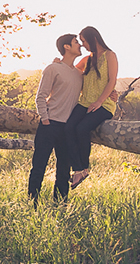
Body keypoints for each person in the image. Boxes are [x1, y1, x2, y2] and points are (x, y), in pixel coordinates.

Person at [28, 33, 83, 206]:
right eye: (76, 42)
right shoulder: (53, 68)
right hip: (49, 125)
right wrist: (45, 119)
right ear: (66, 47)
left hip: (68, 129)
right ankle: (32, 205)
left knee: (63, 171)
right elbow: (41, 96)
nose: (79, 45)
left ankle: (60, 207)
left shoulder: (79, 75)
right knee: (39, 167)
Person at [66, 26, 118, 190]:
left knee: (81, 129)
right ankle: (78, 169)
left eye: (84, 41)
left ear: (93, 39)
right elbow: (72, 70)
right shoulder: (87, 59)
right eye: (80, 42)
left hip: (104, 105)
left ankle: (84, 168)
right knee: (68, 128)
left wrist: (100, 101)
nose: (83, 45)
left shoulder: (110, 55)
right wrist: (58, 63)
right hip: (84, 102)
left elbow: (112, 81)